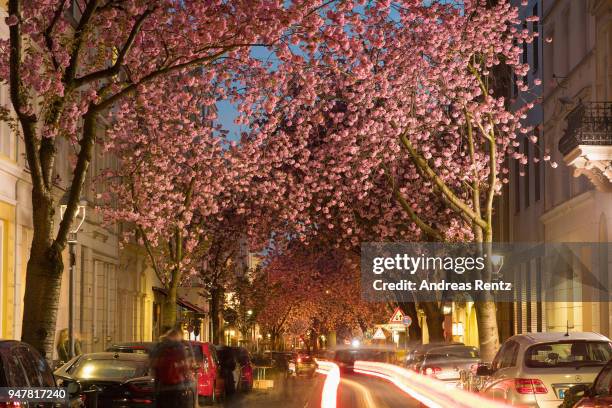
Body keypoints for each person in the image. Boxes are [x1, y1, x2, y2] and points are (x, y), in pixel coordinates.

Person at [150, 327, 195, 408]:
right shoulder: (179, 346)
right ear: (178, 336)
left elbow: (152, 364)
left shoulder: (158, 346)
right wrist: (190, 381)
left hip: (161, 388)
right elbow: (185, 367)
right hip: (177, 387)